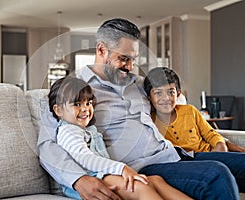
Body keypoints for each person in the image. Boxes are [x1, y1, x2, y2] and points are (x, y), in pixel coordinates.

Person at [38, 18, 243, 200]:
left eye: (133, 59)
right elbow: (46, 145)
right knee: (215, 175)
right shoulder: (71, 91)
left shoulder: (140, 84)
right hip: (142, 167)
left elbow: (178, 107)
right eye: (124, 58)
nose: (130, 66)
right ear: (101, 50)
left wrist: (219, 140)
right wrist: (78, 179)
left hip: (176, 154)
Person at [48, 76, 193, 200]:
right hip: (92, 178)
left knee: (156, 180)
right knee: (141, 187)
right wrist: (122, 168)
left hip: (103, 174)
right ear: (58, 110)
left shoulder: (85, 129)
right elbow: (86, 159)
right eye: (77, 104)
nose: (85, 108)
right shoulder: (68, 132)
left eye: (88, 103)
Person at [143, 67, 245, 153]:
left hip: (210, 153)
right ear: (149, 98)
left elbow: (210, 133)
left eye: (171, 92)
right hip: (192, 162)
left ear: (178, 94)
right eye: (158, 93)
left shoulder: (190, 111)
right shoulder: (150, 122)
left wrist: (220, 144)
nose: (166, 98)